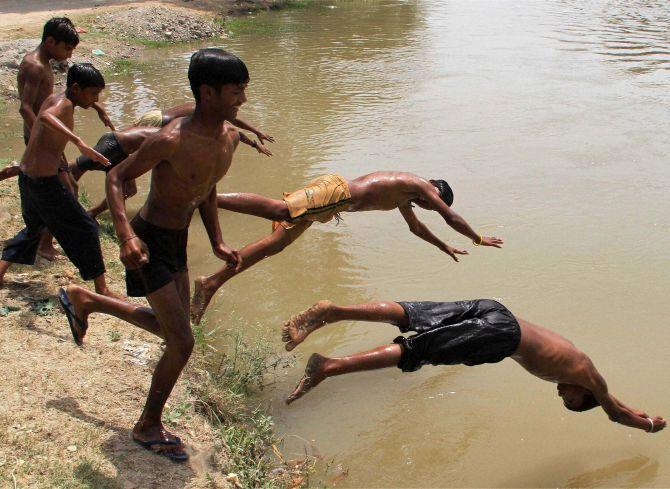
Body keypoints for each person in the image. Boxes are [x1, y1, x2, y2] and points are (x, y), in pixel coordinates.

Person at [57, 48, 249, 462]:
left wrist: (216, 241)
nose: (243, 101)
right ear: (208, 92)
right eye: (236, 92)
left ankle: (87, 300)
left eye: (244, 91)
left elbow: (207, 188)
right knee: (182, 342)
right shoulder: (171, 139)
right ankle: (147, 426)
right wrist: (125, 235)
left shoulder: (228, 138)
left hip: (176, 240)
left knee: (171, 332)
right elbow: (116, 175)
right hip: (149, 240)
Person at [281, 298, 667, 434]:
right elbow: (614, 412)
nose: (560, 393)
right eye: (568, 399)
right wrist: (650, 425)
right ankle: (328, 366)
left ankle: (335, 312)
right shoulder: (585, 376)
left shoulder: (583, 373)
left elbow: (612, 400)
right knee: (419, 351)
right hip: (500, 335)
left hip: (495, 310)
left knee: (415, 316)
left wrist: (632, 408)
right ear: (583, 394)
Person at [190, 172, 504, 324]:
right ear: (433, 189)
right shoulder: (418, 185)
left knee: (274, 246)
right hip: (335, 192)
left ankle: (209, 283)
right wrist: (477, 239)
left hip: (332, 206)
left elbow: (416, 227)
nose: (426, 205)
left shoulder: (407, 198)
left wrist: (443, 246)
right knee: (279, 210)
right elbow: (449, 216)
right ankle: (206, 196)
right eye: (430, 201)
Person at [0, 63, 114, 299]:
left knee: (34, 229)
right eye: (93, 94)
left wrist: (98, 108)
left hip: (27, 178)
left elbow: (54, 108)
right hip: (44, 184)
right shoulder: (63, 106)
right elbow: (45, 117)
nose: (95, 98)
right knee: (87, 228)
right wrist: (79, 142)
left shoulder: (58, 96)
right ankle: (102, 289)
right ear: (76, 88)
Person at [16, 17, 114, 259]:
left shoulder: (43, 62)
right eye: (66, 48)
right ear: (50, 41)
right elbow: (26, 108)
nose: (69, 56)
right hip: (43, 137)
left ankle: (41, 240)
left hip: (48, 135)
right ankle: (44, 243)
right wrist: (41, 133)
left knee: (64, 187)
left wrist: (95, 106)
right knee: (64, 189)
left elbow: (62, 97)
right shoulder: (35, 66)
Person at [71, 105, 273, 219]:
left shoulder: (195, 117)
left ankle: (90, 213)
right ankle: (72, 205)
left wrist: (255, 139)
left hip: (144, 126)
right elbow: (233, 125)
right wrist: (255, 137)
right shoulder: (176, 130)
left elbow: (232, 128)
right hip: (142, 130)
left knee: (127, 187)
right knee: (79, 169)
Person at [134, 101, 274, 154]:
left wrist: (257, 132)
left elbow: (235, 122)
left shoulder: (205, 104)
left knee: (127, 145)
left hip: (153, 116)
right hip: (159, 125)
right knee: (130, 155)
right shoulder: (213, 113)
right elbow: (235, 129)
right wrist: (255, 144)